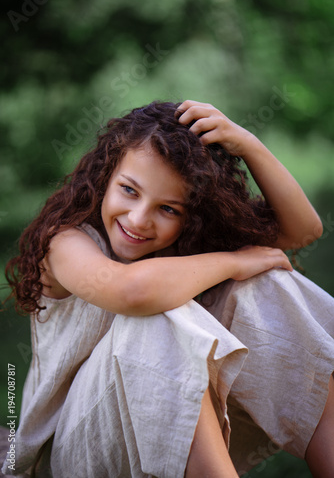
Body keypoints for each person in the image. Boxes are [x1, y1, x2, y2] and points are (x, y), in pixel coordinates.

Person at [1, 100, 333, 478]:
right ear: (106, 176)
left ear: (192, 215)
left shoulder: (188, 245)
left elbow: (304, 231)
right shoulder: (66, 243)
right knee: (155, 318)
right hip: (70, 451)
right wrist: (236, 262)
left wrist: (248, 144)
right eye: (129, 190)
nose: (139, 219)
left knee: (261, 286)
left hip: (162, 424)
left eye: (169, 209)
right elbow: (132, 292)